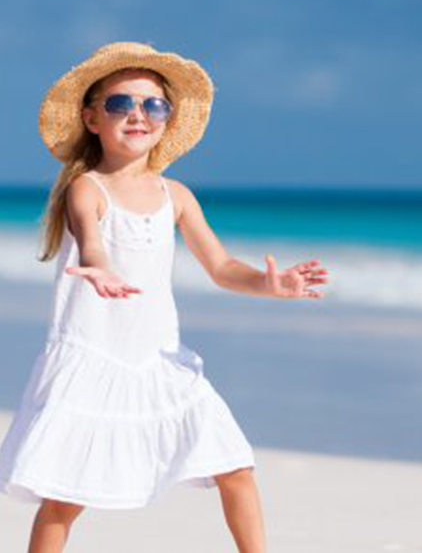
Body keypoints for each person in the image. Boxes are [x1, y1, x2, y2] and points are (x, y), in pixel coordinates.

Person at [0, 41, 329, 553]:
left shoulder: (176, 196)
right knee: (65, 496)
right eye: (120, 104)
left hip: (161, 360)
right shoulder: (87, 188)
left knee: (235, 466)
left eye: (153, 105)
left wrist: (269, 285)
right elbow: (91, 240)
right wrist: (101, 268)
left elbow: (221, 267)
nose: (138, 115)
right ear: (91, 118)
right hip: (94, 358)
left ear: (167, 119)